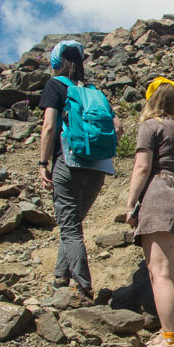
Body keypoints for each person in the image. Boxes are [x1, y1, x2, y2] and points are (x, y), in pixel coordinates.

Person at [124, 78, 174, 347]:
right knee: (168, 272)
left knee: (160, 274)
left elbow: (143, 167)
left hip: (162, 199)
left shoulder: (150, 126)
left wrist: (131, 204)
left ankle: (170, 342)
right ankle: (168, 334)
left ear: (150, 99)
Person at [38, 40, 120, 298]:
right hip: (98, 167)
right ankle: (61, 276)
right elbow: (118, 127)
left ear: (55, 61)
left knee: (70, 227)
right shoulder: (94, 90)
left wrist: (43, 163)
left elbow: (49, 127)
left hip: (69, 162)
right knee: (72, 224)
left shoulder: (55, 85)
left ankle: (83, 286)